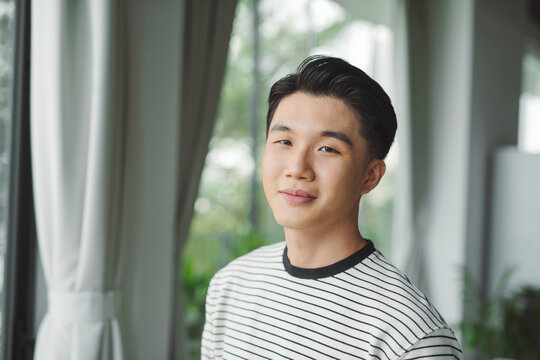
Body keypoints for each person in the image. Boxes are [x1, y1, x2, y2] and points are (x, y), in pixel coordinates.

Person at [201, 55, 462, 359]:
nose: (297, 168)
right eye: (284, 142)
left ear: (370, 176)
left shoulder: (411, 335)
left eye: (327, 149)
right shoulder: (231, 285)